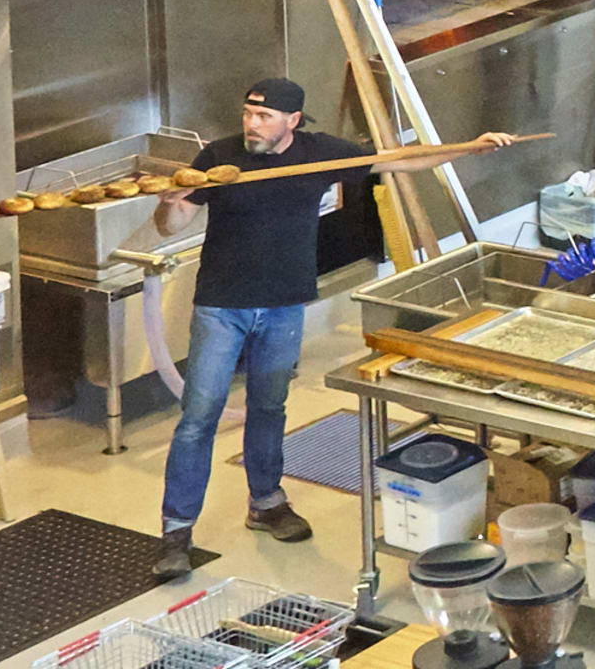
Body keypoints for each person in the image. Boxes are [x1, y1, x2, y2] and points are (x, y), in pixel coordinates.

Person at [147, 76, 508, 581]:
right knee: (198, 418)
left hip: (283, 306)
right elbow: (172, 226)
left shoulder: (321, 154)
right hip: (221, 305)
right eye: (249, 114)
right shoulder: (218, 159)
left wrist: (470, 148)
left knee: (269, 407)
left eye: (264, 117)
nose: (252, 125)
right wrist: (171, 199)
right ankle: (176, 532)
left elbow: (398, 160)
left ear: (292, 121)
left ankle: (267, 503)